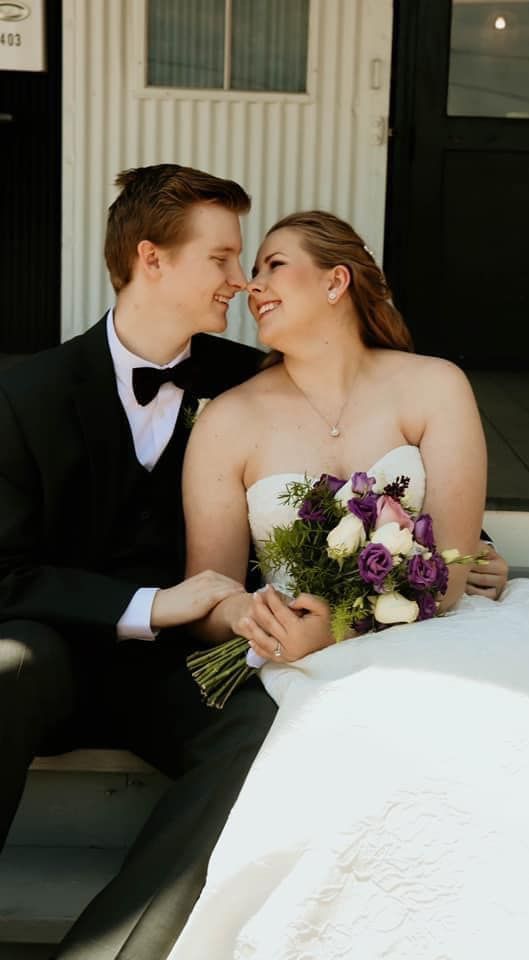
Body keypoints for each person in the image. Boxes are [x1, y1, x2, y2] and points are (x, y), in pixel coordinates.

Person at [167, 211, 529, 959]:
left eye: (274, 264)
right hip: (305, 658)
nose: (254, 285)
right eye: (251, 270)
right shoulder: (228, 420)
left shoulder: (433, 385)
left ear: (336, 280)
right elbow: (211, 590)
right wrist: (246, 617)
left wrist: (344, 619)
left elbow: (450, 562)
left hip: (438, 624)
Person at [0, 164, 278, 960]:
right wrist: (152, 603)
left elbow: (344, 457)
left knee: (260, 720)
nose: (241, 279)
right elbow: (3, 575)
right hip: (54, 661)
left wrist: (463, 548)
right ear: (151, 260)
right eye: (221, 259)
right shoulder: (28, 395)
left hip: (183, 671)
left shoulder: (248, 382)